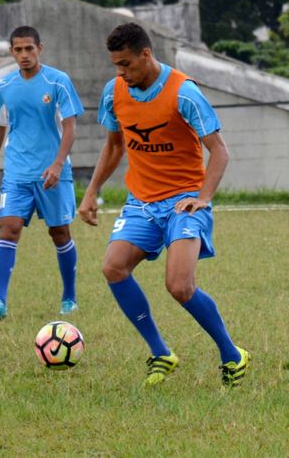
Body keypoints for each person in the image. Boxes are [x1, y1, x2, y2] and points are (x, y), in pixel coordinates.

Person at [78, 22, 249, 388]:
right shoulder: (115, 92)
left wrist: (202, 198)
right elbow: (113, 146)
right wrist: (91, 191)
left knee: (179, 287)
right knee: (113, 268)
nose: (121, 73)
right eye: (116, 66)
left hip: (183, 203)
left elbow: (219, 151)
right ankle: (161, 352)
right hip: (141, 201)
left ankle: (232, 354)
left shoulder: (184, 93)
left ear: (146, 54)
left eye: (126, 64)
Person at [0, 26, 83, 319]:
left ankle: (69, 297)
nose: (24, 55)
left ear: (40, 48)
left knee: (59, 233)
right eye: (18, 50)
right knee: (8, 227)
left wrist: (58, 164)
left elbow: (71, 127)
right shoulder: (4, 86)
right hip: (17, 173)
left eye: (29, 49)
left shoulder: (57, 81)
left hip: (52, 174)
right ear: (11, 51)